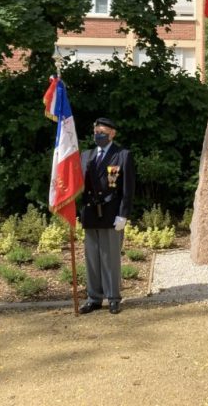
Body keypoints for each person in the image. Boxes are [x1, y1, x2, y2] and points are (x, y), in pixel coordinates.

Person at [79, 117, 135, 314]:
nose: (98, 136)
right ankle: (94, 298)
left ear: (112, 133)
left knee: (110, 258)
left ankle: (113, 297)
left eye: (102, 132)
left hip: (111, 213)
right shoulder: (86, 156)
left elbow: (127, 189)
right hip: (90, 212)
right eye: (96, 132)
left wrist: (123, 215)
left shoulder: (122, 155)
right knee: (92, 258)